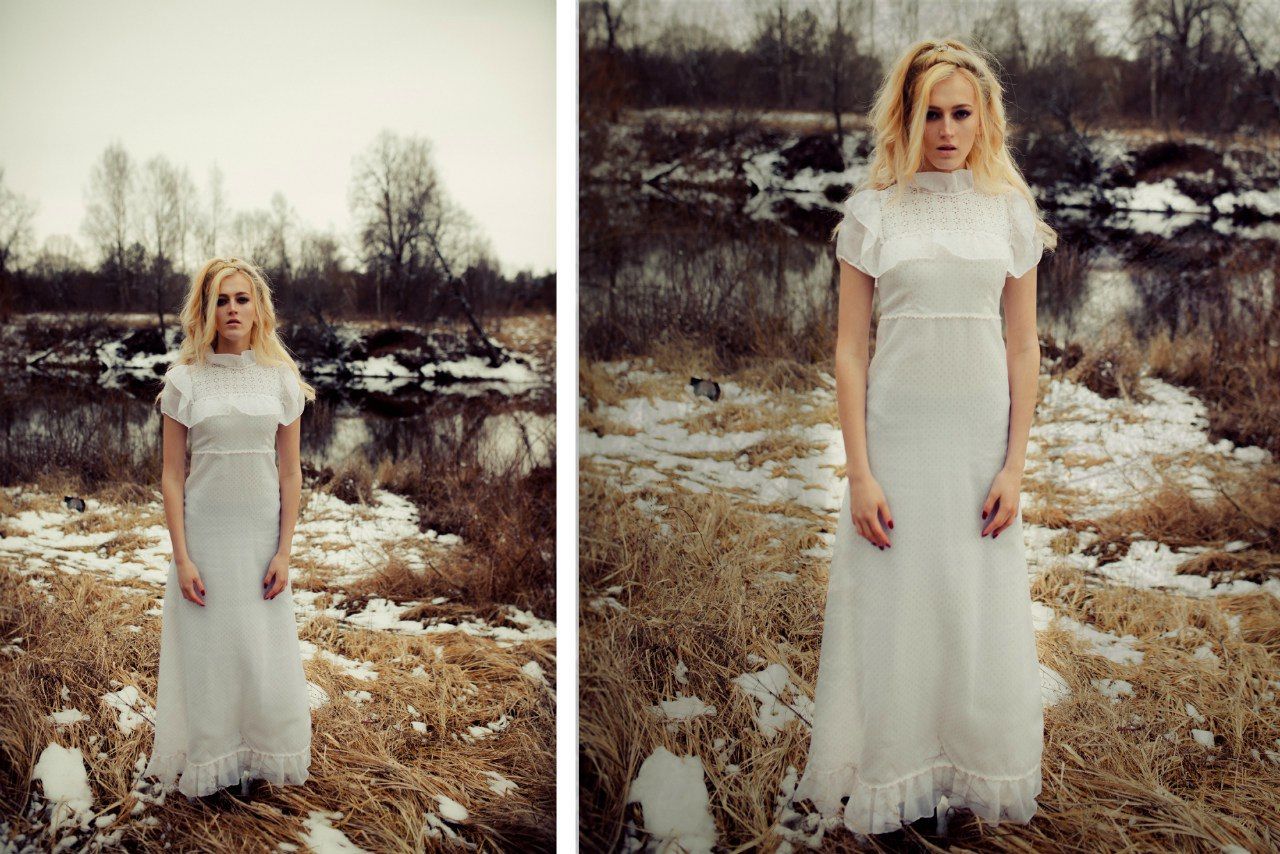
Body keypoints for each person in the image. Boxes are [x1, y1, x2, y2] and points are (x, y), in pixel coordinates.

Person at [791, 38, 1058, 836]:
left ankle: (970, 770)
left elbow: (1022, 345)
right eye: (931, 113)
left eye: (961, 114)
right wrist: (858, 473)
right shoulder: (874, 213)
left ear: (984, 120)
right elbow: (848, 348)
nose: (946, 130)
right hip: (898, 443)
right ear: (907, 118)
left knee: (974, 609)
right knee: (899, 610)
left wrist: (1016, 465)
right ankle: (895, 774)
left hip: (980, 445)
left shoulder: (1009, 212)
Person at [143, 257, 317, 801]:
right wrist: (182, 557)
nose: (232, 309)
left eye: (241, 299)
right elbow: (173, 476)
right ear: (207, 309)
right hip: (207, 540)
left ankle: (259, 756)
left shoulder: (280, 380)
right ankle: (215, 763)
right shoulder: (185, 381)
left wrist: (285, 552)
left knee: (260, 651)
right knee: (212, 653)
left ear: (257, 307)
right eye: (221, 299)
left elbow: (291, 473)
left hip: (262, 538)